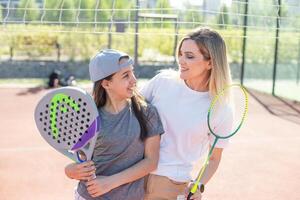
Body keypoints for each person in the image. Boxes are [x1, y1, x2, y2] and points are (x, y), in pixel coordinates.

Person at [141, 27, 233, 200]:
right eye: (181, 54)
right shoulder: (162, 81)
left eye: (189, 56)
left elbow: (213, 159)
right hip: (132, 176)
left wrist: (199, 184)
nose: (181, 60)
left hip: (171, 185)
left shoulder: (221, 109)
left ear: (210, 62)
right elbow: (129, 110)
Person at [64, 49, 164, 200]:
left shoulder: (146, 113)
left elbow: (151, 161)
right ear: (106, 83)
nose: (134, 80)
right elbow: (81, 159)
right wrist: (70, 171)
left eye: (132, 72)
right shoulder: (89, 116)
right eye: (126, 76)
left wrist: (110, 183)